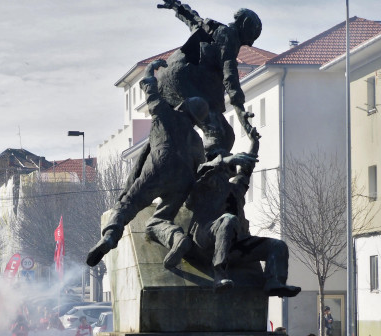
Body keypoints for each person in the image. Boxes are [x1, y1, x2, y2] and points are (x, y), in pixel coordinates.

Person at [86, 59, 208, 268]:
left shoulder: (166, 115)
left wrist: (150, 71)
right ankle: (177, 239)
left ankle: (110, 237)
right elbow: (200, 169)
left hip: (161, 166)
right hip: (184, 181)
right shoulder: (197, 140)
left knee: (126, 205)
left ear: (183, 106)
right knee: (160, 221)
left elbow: (151, 91)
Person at [184, 136, 300, 296]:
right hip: (206, 241)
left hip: (236, 244)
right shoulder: (202, 184)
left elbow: (247, 168)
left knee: (277, 245)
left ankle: (274, 281)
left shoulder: (236, 188)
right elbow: (200, 173)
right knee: (228, 220)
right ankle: (219, 274)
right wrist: (221, 162)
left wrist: (255, 143)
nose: (227, 166)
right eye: (224, 161)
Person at [156, 0, 262, 157]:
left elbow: (194, 20)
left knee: (227, 135)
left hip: (167, 78)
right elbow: (230, 76)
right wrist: (240, 110)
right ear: (245, 26)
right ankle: (209, 173)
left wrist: (177, 6)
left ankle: (200, 162)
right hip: (185, 78)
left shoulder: (214, 28)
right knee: (216, 134)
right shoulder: (230, 37)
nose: (251, 44)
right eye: (251, 37)